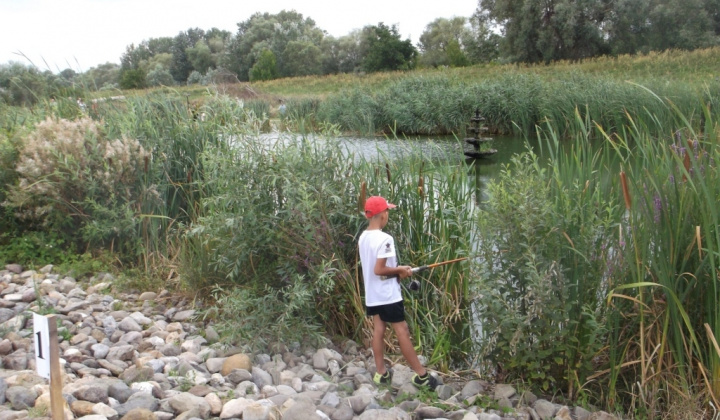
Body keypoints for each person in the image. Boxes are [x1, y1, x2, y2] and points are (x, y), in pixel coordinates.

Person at [358, 195, 438, 390]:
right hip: (388, 295)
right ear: (382, 215)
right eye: (387, 211)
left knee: (379, 330)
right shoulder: (385, 239)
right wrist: (400, 270)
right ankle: (421, 376)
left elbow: (375, 270)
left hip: (373, 294)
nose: (388, 214)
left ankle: (381, 374)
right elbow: (379, 269)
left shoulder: (363, 236)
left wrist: (398, 271)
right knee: (402, 331)